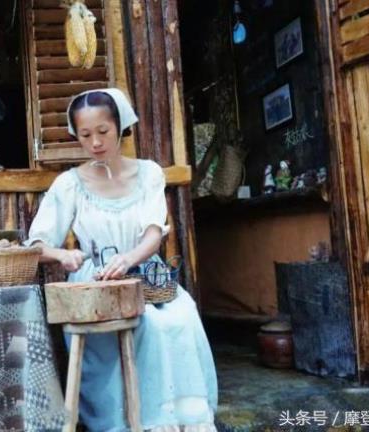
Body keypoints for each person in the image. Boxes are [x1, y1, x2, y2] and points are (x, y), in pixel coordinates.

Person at [25, 88, 218, 432]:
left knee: (176, 319)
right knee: (144, 328)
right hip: (97, 282)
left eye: (103, 132)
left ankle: (178, 421)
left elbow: (153, 233)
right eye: (85, 135)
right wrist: (63, 254)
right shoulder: (69, 184)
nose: (95, 142)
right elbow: (37, 244)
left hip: (148, 276)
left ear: (121, 127)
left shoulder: (148, 174)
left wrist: (129, 259)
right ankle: (133, 421)